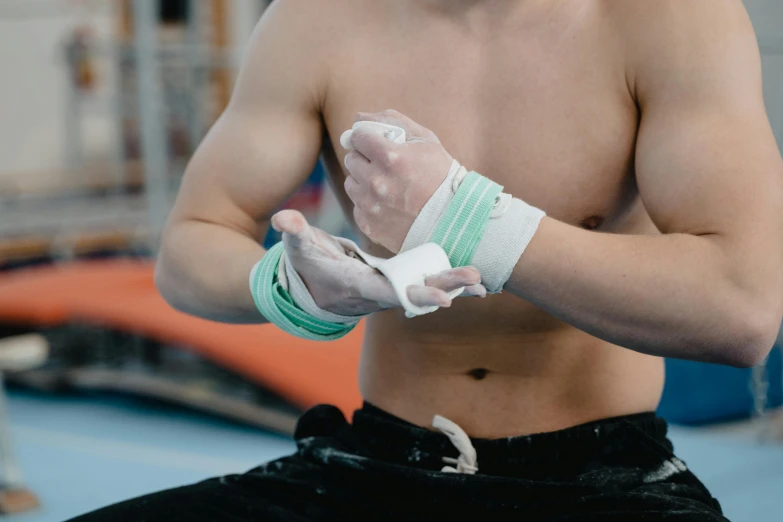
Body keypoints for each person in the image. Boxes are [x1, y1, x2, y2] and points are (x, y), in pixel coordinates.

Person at [71, 0, 783, 520]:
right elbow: (193, 243)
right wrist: (288, 286)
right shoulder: (318, 22)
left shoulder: (667, 20)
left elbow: (740, 310)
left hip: (604, 479)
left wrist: (473, 221)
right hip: (373, 464)